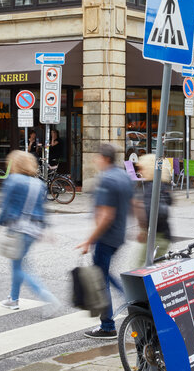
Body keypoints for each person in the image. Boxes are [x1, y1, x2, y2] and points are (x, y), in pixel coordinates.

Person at [0, 150, 60, 312]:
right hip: (33, 231)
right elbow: (42, 209)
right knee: (19, 264)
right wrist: (47, 230)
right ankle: (13, 298)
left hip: (18, 229)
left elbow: (5, 206)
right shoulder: (39, 184)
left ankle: (47, 297)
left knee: (19, 268)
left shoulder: (13, 181)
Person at [75, 143, 134, 339]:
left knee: (101, 280)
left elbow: (106, 216)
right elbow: (134, 204)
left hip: (106, 237)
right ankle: (131, 300)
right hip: (118, 235)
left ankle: (107, 326)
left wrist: (89, 240)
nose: (95, 160)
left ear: (105, 158)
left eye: (97, 157)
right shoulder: (124, 176)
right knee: (105, 275)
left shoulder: (107, 179)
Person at [133, 154, 172, 266]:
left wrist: (144, 229)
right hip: (164, 235)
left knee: (138, 269)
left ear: (149, 168)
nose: (139, 171)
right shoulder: (162, 185)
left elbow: (154, 212)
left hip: (156, 237)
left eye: (141, 168)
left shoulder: (152, 187)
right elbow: (169, 202)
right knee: (153, 269)